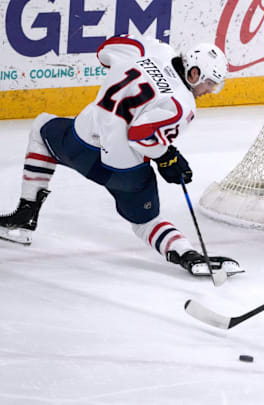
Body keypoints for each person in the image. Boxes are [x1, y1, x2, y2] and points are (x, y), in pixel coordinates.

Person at [0, 35, 239, 277]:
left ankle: (26, 213)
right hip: (125, 175)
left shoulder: (152, 49)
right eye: (209, 83)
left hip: (79, 147)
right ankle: (187, 254)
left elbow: (105, 51)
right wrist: (168, 157)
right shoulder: (182, 105)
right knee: (146, 222)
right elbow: (140, 137)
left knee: (43, 126)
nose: (209, 90)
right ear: (194, 73)